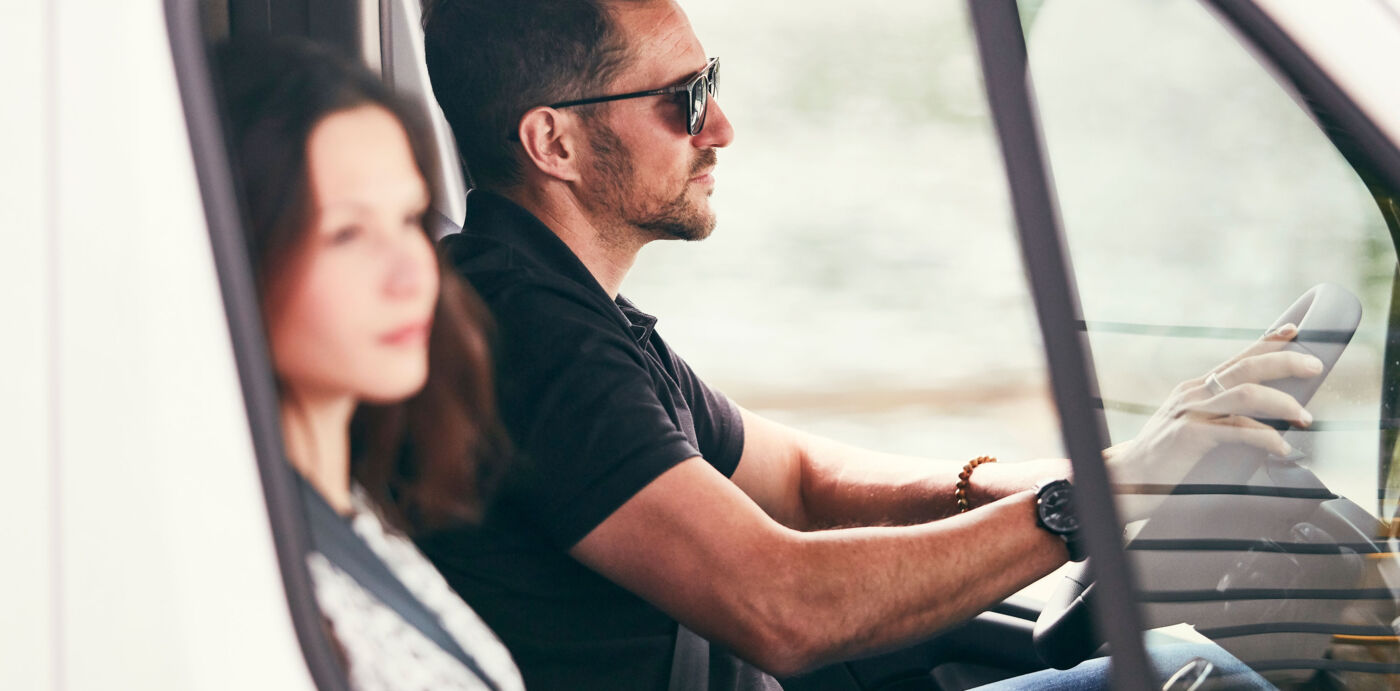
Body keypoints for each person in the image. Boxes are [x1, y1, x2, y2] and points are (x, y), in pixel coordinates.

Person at [416, 1, 1313, 688]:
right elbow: (783, 604)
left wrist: (1102, 472)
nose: (720, 126)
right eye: (684, 99)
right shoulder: (527, 339)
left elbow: (804, 482)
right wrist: (1093, 502)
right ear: (554, 142)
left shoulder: (564, 312)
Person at [215, 37, 526, 691]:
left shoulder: (347, 509)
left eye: (410, 218)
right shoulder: (230, 569)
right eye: (348, 233)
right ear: (238, 251)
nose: (413, 273)